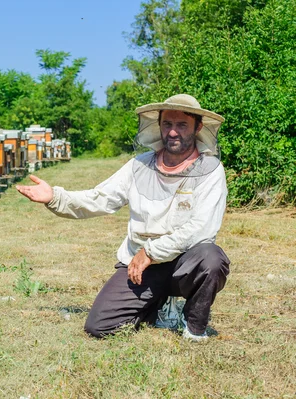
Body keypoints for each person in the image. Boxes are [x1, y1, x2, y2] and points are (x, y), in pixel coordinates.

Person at [16, 94, 230, 341]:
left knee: (212, 259)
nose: (173, 132)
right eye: (167, 124)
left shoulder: (210, 171)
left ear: (198, 127)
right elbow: (100, 198)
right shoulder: (139, 166)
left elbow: (201, 228)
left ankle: (194, 325)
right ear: (158, 125)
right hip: (141, 265)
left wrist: (151, 252)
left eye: (181, 125)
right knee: (100, 326)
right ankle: (160, 306)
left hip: (185, 263)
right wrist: (55, 197)